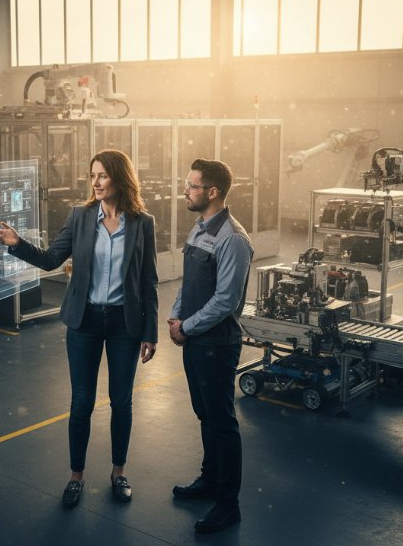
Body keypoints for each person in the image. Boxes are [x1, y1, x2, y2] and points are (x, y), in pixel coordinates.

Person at [0, 149, 158, 508]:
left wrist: (150, 332)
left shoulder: (143, 223)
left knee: (122, 402)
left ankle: (118, 472)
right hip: (85, 321)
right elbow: (51, 258)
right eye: (92, 176)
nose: (95, 183)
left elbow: (148, 282)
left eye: (103, 176)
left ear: (120, 179)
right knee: (81, 403)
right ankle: (76, 476)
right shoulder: (80, 217)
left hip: (126, 324)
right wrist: (17, 245)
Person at [168, 158, 253, 534]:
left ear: (212, 192)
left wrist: (186, 326)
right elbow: (189, 285)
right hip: (195, 340)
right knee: (206, 415)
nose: (185, 191)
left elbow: (226, 301)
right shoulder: (199, 229)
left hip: (217, 344)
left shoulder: (232, 238)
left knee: (222, 423)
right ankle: (209, 480)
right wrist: (175, 317)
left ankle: (227, 503)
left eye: (192, 185)